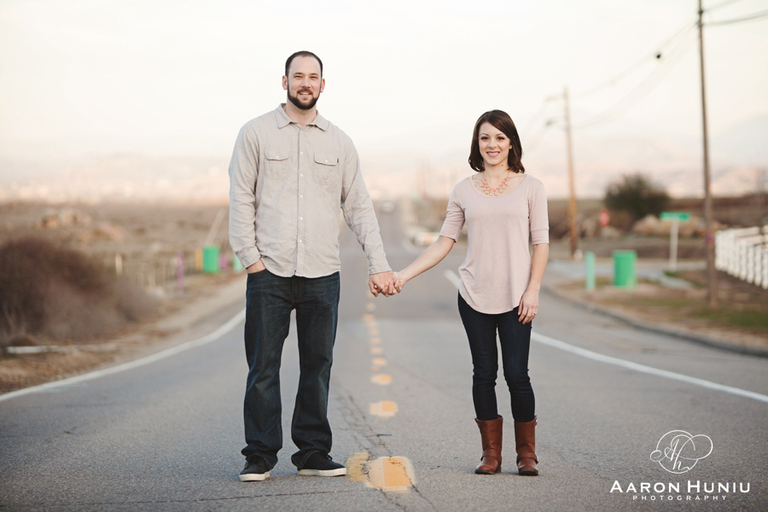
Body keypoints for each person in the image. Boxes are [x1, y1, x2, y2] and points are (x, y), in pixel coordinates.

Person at [228, 50, 396, 482]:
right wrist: (252, 261)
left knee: (317, 366)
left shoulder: (339, 142)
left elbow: (358, 205)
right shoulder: (256, 133)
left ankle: (312, 452)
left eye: (313, 77)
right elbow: (241, 199)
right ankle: (260, 454)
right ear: (283, 81)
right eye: (297, 75)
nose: (305, 82)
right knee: (263, 367)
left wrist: (379, 264)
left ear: (323, 85)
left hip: (323, 272)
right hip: (270, 273)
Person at [394, 110, 549, 476]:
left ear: (511, 142)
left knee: (517, 375)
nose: (492, 145)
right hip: (474, 295)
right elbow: (444, 241)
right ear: (476, 144)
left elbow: (540, 243)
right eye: (484, 138)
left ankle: (526, 454)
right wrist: (403, 275)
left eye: (499, 137)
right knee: (483, 374)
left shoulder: (532, 188)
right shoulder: (464, 189)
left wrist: (533, 290)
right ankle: (490, 455)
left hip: (516, 298)